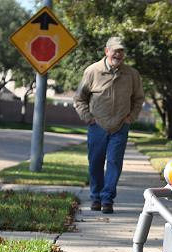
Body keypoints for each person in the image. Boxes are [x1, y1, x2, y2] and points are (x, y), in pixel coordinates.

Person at [73, 36, 144, 214]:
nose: (118, 54)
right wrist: (87, 117)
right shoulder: (92, 71)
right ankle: (96, 197)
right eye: (115, 51)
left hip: (120, 126)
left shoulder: (132, 74)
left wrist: (131, 117)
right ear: (107, 51)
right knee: (95, 163)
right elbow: (79, 98)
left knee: (114, 162)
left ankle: (107, 199)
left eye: (121, 51)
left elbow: (138, 99)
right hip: (97, 125)